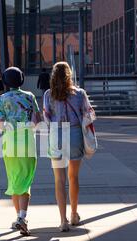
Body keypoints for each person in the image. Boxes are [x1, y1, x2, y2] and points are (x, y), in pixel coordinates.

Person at [43, 62, 95, 232]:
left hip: (57, 134)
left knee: (59, 179)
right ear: (69, 75)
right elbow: (89, 114)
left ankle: (62, 221)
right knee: (74, 177)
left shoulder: (48, 94)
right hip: (74, 134)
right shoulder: (79, 93)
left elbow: (46, 118)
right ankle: (74, 214)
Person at [0, 67, 42, 236]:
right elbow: (37, 121)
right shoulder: (30, 97)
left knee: (14, 179)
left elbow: (0, 123)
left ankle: (18, 217)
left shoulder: (2, 99)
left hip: (9, 143)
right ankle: (22, 217)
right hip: (27, 141)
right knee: (26, 180)